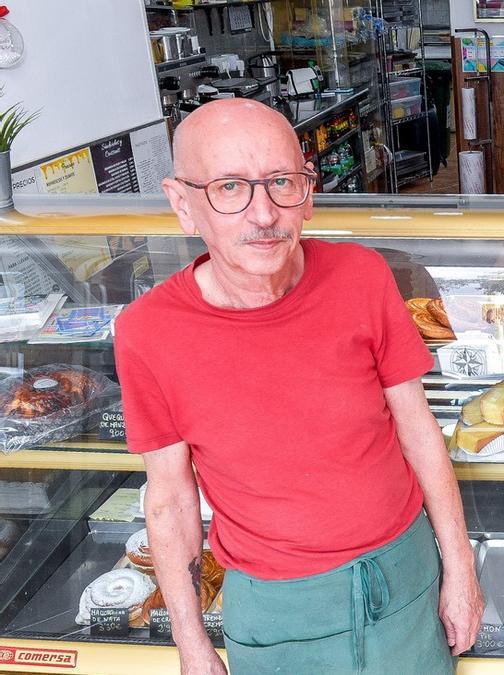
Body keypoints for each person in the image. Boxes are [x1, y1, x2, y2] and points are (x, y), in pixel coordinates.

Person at [114, 99, 482, 674]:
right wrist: (191, 642)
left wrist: (459, 567)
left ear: (307, 193)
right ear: (183, 204)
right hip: (276, 606)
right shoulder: (147, 333)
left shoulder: (363, 276)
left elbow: (418, 430)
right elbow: (170, 500)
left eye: (282, 181)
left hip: (404, 573)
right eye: (231, 187)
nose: (264, 214)